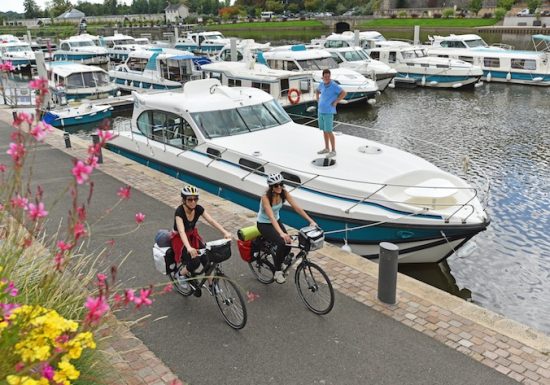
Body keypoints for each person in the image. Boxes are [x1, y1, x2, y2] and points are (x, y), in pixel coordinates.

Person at [257, 173, 317, 284]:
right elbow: (271, 216)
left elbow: (296, 207)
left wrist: (311, 221)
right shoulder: (265, 198)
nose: (279, 187)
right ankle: (277, 271)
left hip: (276, 220)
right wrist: (281, 233)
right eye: (276, 185)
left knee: (288, 242)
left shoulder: (283, 193)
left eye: (281, 184)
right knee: (281, 242)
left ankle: (281, 261)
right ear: (271, 187)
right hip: (264, 223)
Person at [173, 185, 231, 287]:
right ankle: (179, 275)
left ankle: (212, 285)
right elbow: (181, 231)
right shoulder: (179, 212)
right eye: (190, 199)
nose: (193, 202)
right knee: (195, 262)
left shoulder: (198, 209)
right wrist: (189, 248)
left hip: (192, 236)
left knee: (207, 258)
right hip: (180, 240)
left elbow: (211, 220)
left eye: (195, 199)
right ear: (183, 200)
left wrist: (224, 232)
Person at [315, 69, 347, 158]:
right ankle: (326, 148)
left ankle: (333, 150)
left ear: (330, 76)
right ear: (323, 77)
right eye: (325, 77)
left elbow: (344, 93)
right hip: (320, 111)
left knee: (329, 131)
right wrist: (317, 98)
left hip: (328, 112)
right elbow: (317, 91)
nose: (327, 78)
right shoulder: (321, 84)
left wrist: (336, 101)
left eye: (328, 76)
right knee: (324, 131)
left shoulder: (333, 85)